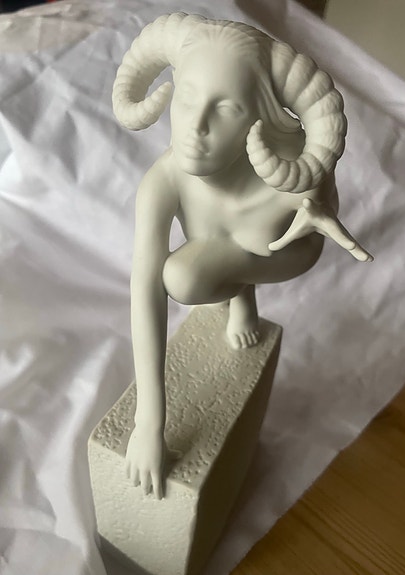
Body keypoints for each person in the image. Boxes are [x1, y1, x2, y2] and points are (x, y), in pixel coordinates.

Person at [112, 13, 373, 498]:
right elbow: (144, 287)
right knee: (182, 277)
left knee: (192, 272)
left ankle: (242, 293)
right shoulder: (164, 181)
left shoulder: (284, 166)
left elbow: (317, 172)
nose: (196, 127)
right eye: (187, 97)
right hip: (221, 255)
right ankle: (239, 297)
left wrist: (318, 202)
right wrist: (149, 421)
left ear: (258, 115)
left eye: (227, 108)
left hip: (284, 254)